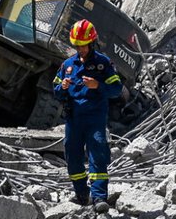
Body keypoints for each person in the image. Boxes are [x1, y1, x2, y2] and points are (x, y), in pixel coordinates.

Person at [53, 19, 122, 214]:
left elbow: (116, 89)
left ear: (91, 43)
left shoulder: (103, 63)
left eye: (83, 46)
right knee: (72, 155)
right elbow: (56, 90)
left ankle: (99, 197)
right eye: (77, 46)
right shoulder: (67, 65)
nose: (80, 49)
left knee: (98, 154)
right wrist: (62, 87)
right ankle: (82, 194)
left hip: (95, 118)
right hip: (73, 119)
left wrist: (97, 85)